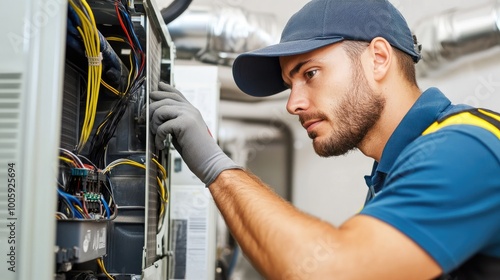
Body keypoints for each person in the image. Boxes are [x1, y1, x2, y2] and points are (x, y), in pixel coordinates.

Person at [150, 0, 500, 279]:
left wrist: (216, 168)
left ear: (378, 59)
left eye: (310, 73)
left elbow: (328, 270)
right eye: (290, 83)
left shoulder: (463, 150)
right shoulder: (393, 168)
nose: (292, 104)